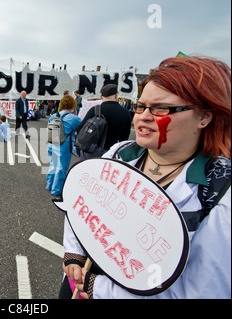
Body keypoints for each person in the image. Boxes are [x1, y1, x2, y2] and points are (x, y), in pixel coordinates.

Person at [63, 56, 231, 299]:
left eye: (161, 108)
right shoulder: (119, 153)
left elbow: (200, 292)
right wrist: (74, 252)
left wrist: (98, 288)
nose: (143, 116)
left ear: (204, 116)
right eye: (141, 107)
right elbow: (82, 205)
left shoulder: (219, 193)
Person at [76, 84, 132, 160]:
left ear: (101, 96)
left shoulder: (95, 110)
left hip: (91, 151)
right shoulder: (126, 113)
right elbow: (124, 139)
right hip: (111, 153)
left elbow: (80, 128)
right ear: (116, 95)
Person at [46, 95, 82, 196]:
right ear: (72, 105)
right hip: (64, 145)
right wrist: (75, 114)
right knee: (61, 168)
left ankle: (49, 184)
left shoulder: (54, 116)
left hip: (53, 142)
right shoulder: (75, 119)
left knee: (53, 164)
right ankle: (56, 190)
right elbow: (81, 128)